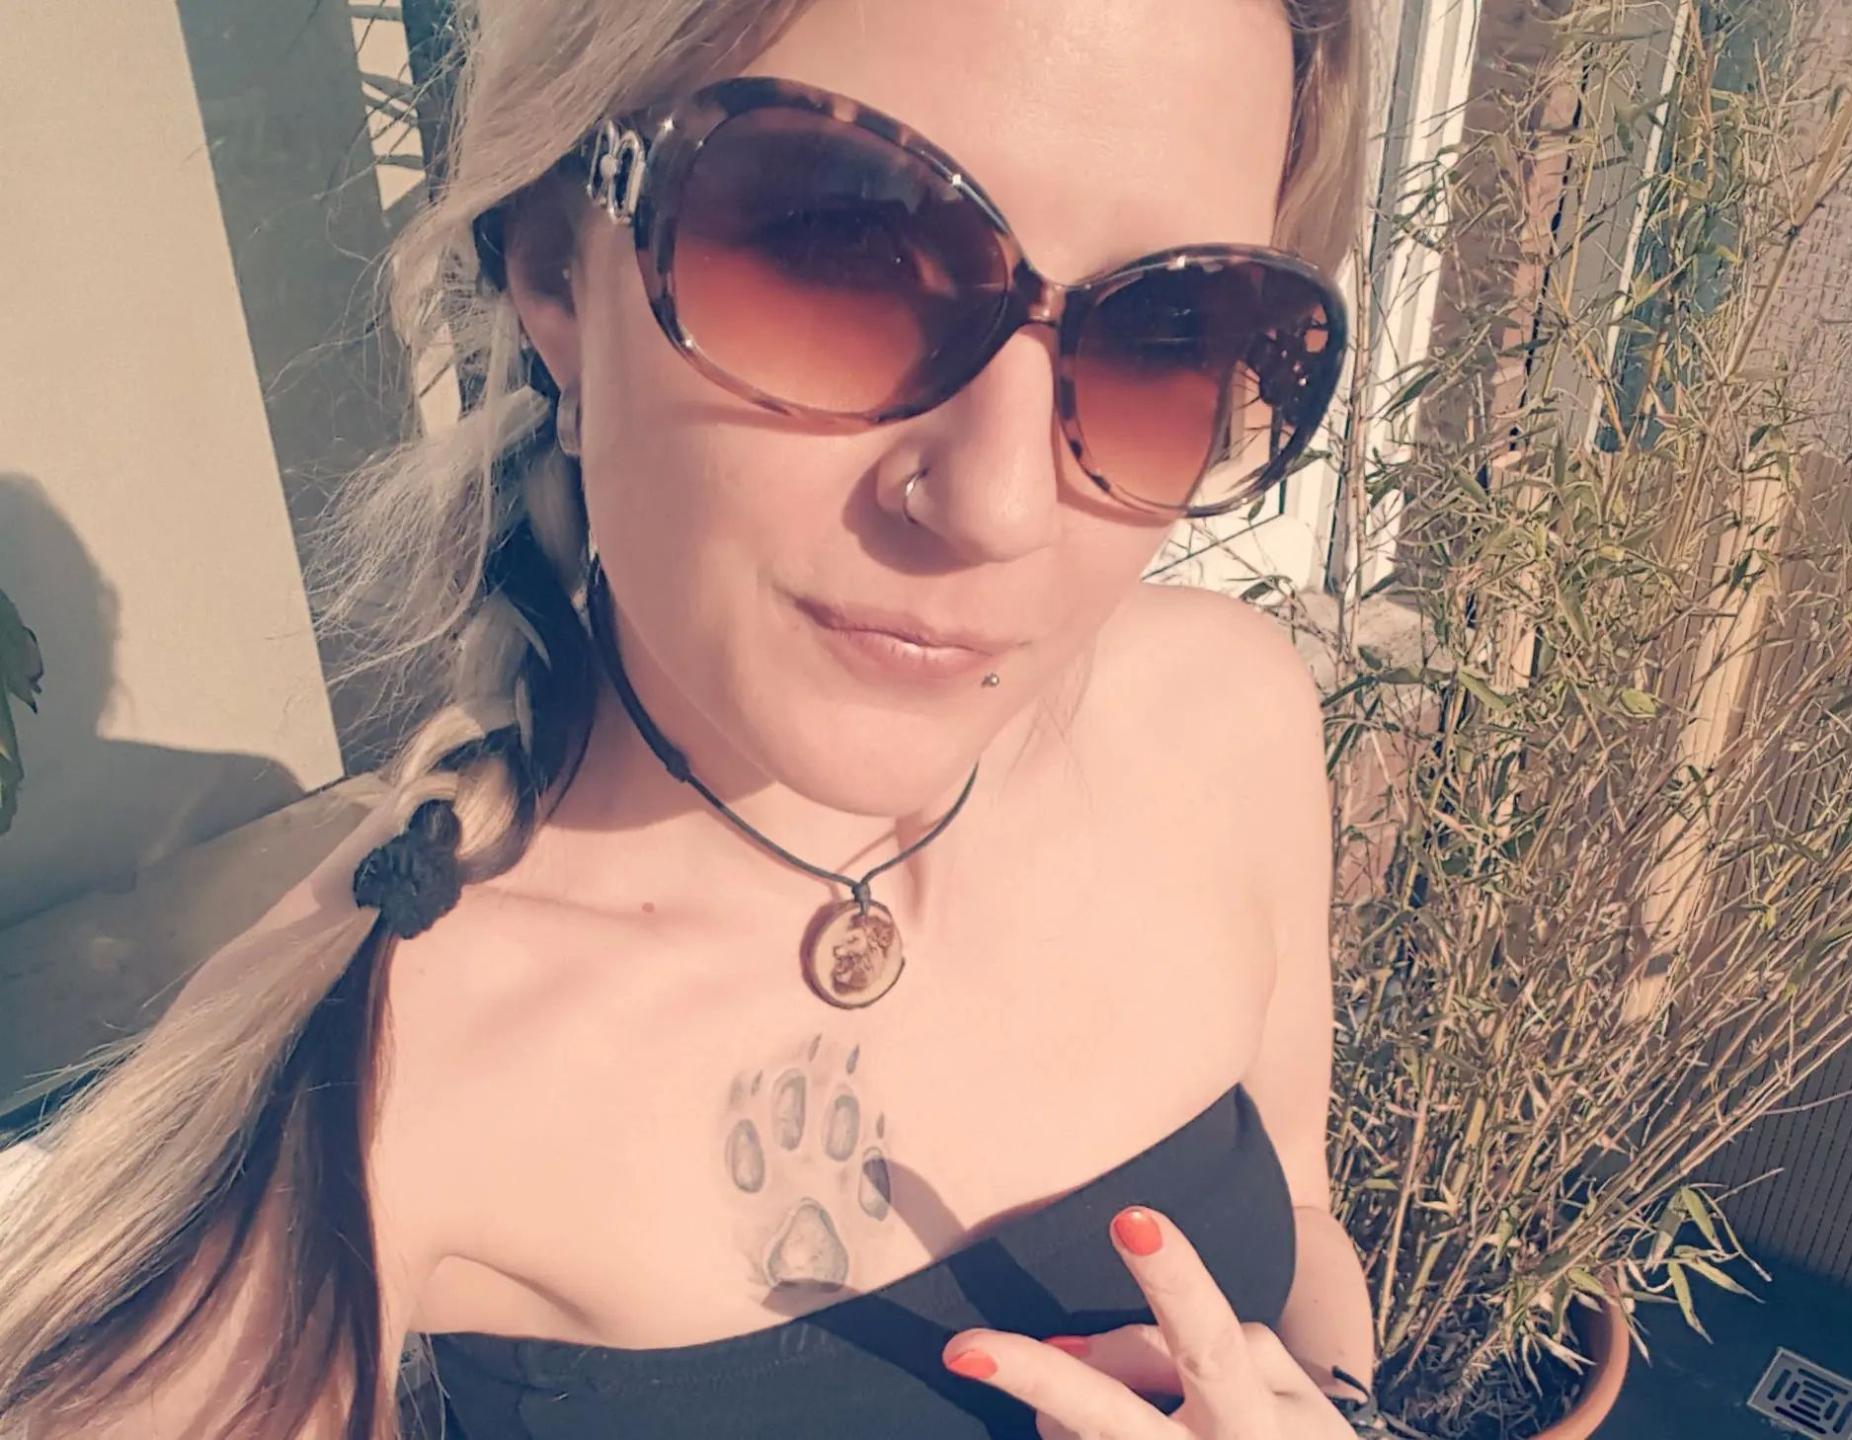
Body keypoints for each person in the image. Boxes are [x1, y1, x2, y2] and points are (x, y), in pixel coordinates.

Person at [0, 0, 1377, 1434]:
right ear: (559, 269)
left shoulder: (1222, 729)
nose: (1001, 503)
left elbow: (1298, 1218)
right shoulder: (361, 1089)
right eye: (845, 248)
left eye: (1173, 330)